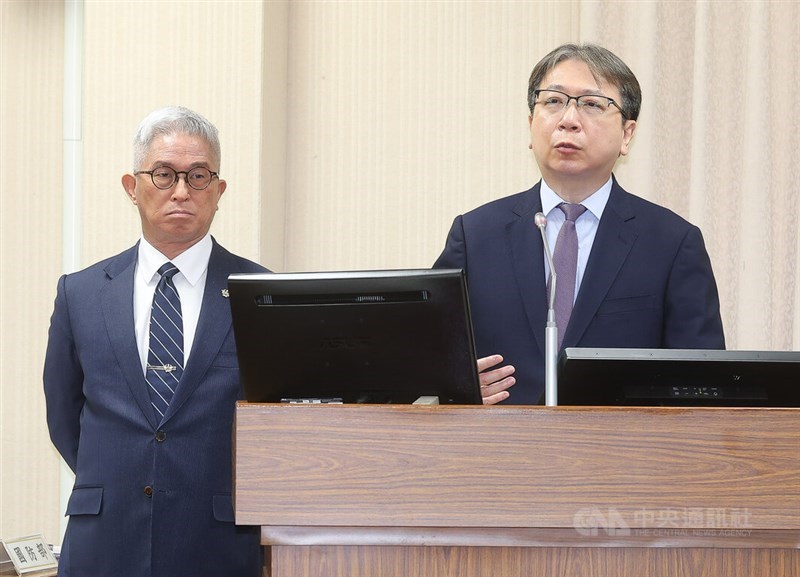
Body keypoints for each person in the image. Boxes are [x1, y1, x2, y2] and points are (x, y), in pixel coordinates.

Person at [434, 43, 725, 405]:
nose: (568, 119)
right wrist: (456, 388)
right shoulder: (475, 235)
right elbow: (422, 358)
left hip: (617, 441)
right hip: (498, 439)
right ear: (531, 124)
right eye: (553, 101)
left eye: (591, 104)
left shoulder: (672, 243)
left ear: (627, 134)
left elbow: (703, 385)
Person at [43, 106, 265, 576]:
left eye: (198, 176)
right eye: (163, 174)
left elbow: (276, 421)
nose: (181, 191)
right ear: (132, 186)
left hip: (217, 542)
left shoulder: (260, 293)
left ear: (219, 191)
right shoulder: (80, 293)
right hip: (104, 541)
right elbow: (64, 415)